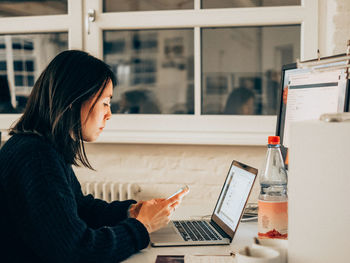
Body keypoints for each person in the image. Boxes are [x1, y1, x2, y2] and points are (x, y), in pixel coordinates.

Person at [0, 50, 187, 262]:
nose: (109, 114)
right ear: (73, 101)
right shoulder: (36, 157)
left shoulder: (41, 147)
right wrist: (143, 226)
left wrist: (131, 211)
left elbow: (80, 208)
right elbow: (77, 250)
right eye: (105, 102)